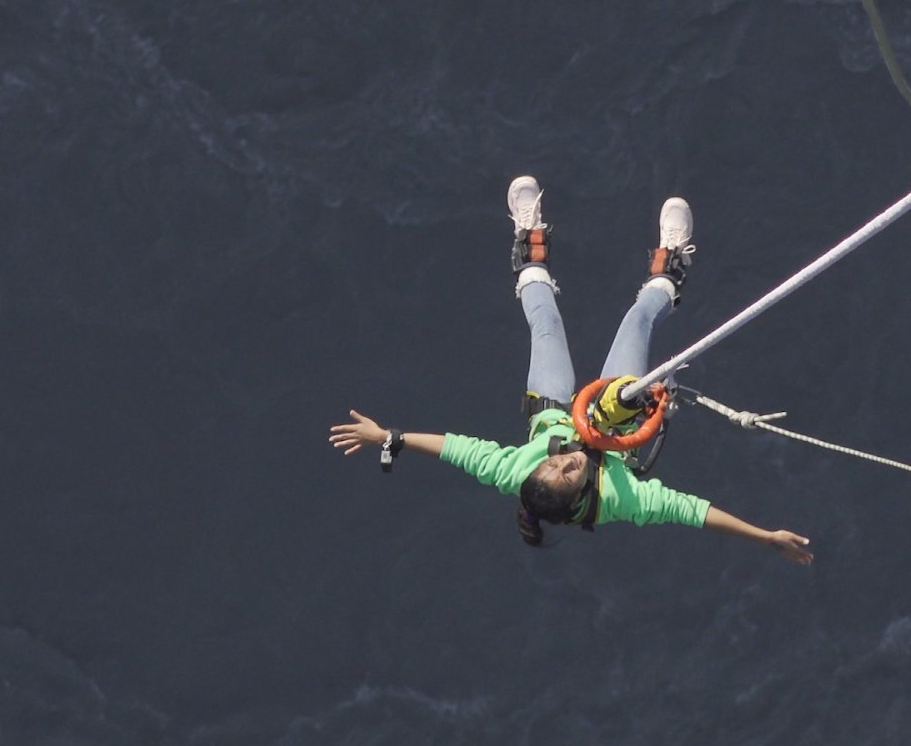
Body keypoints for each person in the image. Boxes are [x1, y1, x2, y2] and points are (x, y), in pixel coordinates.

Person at [329, 176, 814, 565]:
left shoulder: (515, 472)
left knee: (544, 322)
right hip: (616, 419)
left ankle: (528, 237)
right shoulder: (620, 500)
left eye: (553, 464)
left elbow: (455, 449)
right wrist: (763, 537)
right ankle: (670, 266)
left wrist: (388, 436)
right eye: (571, 472)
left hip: (554, 407)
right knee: (638, 320)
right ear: (581, 494)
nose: (568, 460)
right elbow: (692, 512)